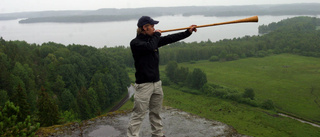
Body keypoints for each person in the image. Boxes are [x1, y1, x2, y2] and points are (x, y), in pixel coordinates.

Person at [127, 16, 197, 137]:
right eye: (152, 26)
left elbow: (170, 38)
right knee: (138, 114)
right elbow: (150, 47)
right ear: (145, 27)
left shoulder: (152, 40)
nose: (154, 28)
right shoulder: (136, 43)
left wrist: (187, 32)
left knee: (156, 112)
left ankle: (158, 134)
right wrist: (156, 35)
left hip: (157, 84)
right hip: (144, 86)